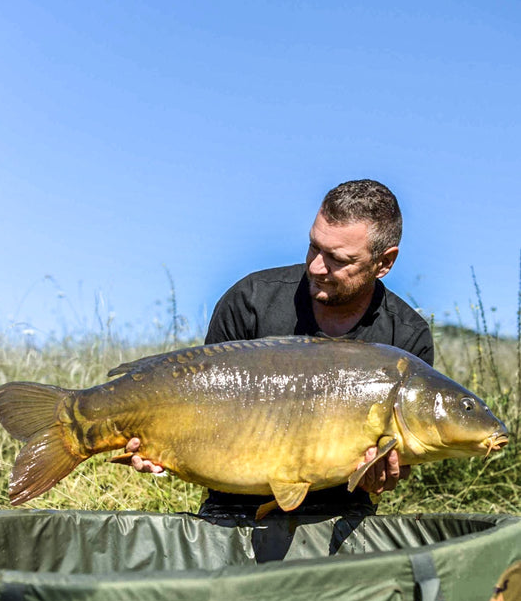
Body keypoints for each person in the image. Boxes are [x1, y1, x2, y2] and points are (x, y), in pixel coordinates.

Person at [128, 179, 434, 518]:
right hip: (231, 508)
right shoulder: (250, 301)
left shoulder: (406, 339)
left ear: (384, 262)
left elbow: (401, 460)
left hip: (339, 518)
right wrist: (157, 442)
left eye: (337, 259)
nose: (317, 266)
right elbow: (199, 405)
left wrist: (383, 474)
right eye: (314, 247)